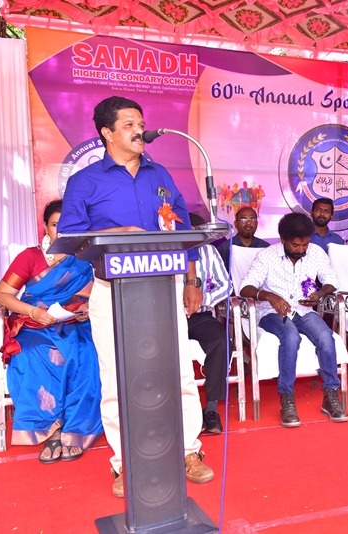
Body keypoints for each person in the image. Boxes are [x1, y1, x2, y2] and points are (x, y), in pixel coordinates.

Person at [58, 95, 213, 497]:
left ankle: (188, 451)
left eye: (141, 124)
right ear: (107, 133)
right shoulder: (85, 181)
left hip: (164, 286)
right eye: (128, 125)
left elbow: (184, 232)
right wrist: (117, 234)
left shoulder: (159, 174)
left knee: (179, 370)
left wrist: (192, 281)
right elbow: (70, 236)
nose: (139, 131)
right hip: (112, 290)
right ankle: (125, 462)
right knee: (116, 377)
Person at [0, 200, 102, 463]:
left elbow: (98, 293)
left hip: (76, 323)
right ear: (45, 227)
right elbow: (2, 294)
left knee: (87, 352)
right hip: (36, 324)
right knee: (33, 352)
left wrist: (88, 307)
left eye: (68, 227)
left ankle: (75, 428)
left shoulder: (87, 257)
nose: (62, 232)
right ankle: (52, 429)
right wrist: (34, 312)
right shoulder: (30, 257)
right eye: (55, 225)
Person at [239, 212, 348, 427]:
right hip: (271, 312)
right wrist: (270, 297)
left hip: (303, 309)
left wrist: (320, 293)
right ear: (283, 240)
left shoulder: (315, 253)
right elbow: (245, 287)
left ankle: (330, 395)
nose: (301, 249)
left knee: (326, 337)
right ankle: (286, 398)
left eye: (304, 245)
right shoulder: (266, 256)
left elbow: (331, 279)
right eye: (296, 245)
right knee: (290, 336)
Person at [188, 213, 232, 434]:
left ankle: (211, 408)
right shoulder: (164, 252)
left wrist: (202, 299)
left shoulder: (209, 251)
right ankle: (173, 406)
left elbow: (225, 285)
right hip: (169, 316)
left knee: (221, 341)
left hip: (201, 314)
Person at [216, 206, 270, 275]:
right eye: (243, 219)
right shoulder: (224, 248)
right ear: (236, 224)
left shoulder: (266, 248)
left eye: (252, 219)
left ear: (257, 224)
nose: (248, 223)